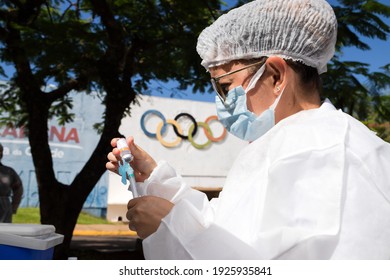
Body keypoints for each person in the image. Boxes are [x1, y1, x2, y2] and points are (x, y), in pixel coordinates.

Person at [106, 0, 390, 259]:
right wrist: (157, 181)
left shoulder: (327, 152)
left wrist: (171, 225)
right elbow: (228, 227)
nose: (222, 102)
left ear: (276, 75)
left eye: (225, 86)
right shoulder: (286, 141)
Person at [0, 143, 23, 223]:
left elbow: (18, 189)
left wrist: (14, 207)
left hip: (3, 207)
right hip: (4, 206)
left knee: (3, 233)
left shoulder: (9, 172)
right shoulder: (9, 172)